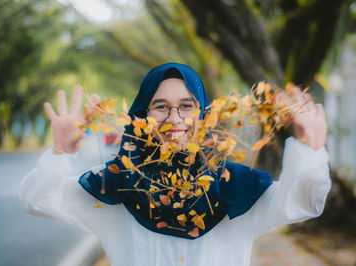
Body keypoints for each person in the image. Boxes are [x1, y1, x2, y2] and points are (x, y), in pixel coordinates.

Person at [19, 63, 331, 265]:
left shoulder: (234, 188)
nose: (174, 119)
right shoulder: (118, 186)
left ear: (205, 115)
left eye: (186, 106)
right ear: (141, 116)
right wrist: (61, 150)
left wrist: (312, 147)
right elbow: (40, 200)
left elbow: (300, 202)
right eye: (160, 107)